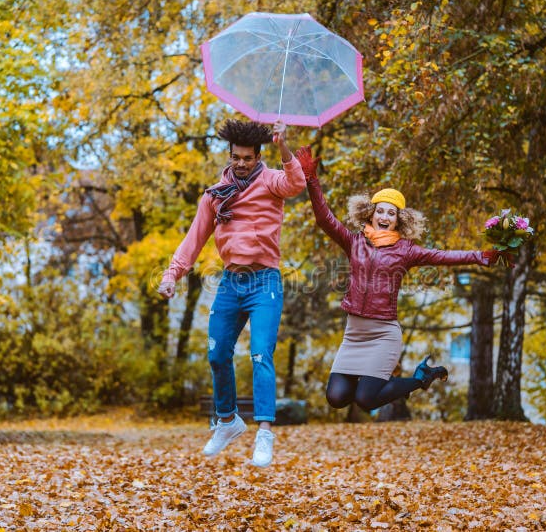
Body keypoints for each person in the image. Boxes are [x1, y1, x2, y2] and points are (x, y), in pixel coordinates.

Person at [295, 146, 509, 413]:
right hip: (354, 333)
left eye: (391, 213)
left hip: (383, 333)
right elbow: (324, 219)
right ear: (371, 213)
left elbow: (443, 256)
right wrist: (312, 181)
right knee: (336, 397)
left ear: (398, 220)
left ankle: (421, 379)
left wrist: (481, 256)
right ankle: (400, 379)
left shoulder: (406, 250)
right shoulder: (354, 241)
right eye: (380, 211)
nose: (385, 216)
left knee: (366, 400)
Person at [158, 119, 305, 467]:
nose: (241, 163)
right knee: (216, 354)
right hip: (230, 282)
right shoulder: (214, 195)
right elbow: (193, 240)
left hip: (265, 281)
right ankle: (228, 421)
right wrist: (172, 275)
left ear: (258, 156)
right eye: (236, 157)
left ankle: (264, 433)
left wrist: (284, 146)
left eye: (248, 158)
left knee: (260, 355)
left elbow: (297, 182)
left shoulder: (272, 182)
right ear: (230, 155)